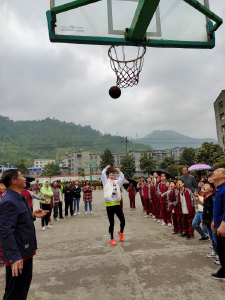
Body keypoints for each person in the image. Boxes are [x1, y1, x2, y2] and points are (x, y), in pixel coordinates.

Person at [0, 169, 48, 300]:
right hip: (18, 254)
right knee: (14, 293)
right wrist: (14, 256)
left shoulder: (18, 197)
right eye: (21, 176)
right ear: (14, 181)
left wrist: (32, 215)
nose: (25, 178)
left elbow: (16, 220)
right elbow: (6, 231)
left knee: (22, 289)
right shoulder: (8, 201)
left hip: (25, 251)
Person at [101, 165, 125, 246]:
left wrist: (118, 169)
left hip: (117, 204)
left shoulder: (117, 182)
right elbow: (102, 173)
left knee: (123, 220)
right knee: (112, 222)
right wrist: (107, 168)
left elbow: (122, 176)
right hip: (109, 205)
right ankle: (111, 238)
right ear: (108, 176)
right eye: (110, 175)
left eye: (113, 175)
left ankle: (121, 233)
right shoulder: (106, 182)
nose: (111, 176)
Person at [211, 168, 225, 281]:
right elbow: (217, 208)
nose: (214, 172)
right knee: (221, 250)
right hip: (218, 223)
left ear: (223, 175)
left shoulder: (224, 189)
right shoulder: (217, 189)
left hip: (223, 225)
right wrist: (213, 221)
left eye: (217, 171)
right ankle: (223, 271)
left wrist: (223, 224)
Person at [202, 182, 218, 261]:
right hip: (207, 220)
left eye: (206, 185)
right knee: (211, 237)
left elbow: (214, 210)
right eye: (204, 185)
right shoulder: (205, 197)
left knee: (216, 238)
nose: (204, 187)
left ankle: (220, 255)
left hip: (213, 221)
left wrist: (213, 220)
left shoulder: (213, 197)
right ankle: (215, 251)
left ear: (211, 189)